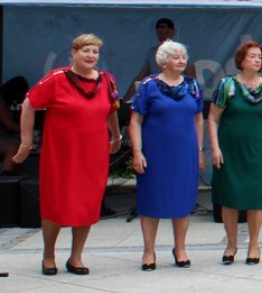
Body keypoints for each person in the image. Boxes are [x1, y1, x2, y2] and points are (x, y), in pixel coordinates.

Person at [12, 34, 123, 276]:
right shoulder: (57, 78)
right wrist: (26, 141)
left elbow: (111, 109)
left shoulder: (107, 80)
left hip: (93, 153)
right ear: (73, 53)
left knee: (87, 204)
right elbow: (29, 103)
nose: (91, 56)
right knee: (56, 202)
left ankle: (76, 257)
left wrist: (116, 136)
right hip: (61, 154)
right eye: (86, 51)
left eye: (95, 52)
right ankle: (49, 255)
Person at [128, 41, 204, 271]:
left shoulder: (193, 86)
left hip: (185, 153)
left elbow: (199, 119)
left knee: (182, 199)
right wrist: (137, 151)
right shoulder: (149, 85)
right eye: (176, 57)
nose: (182, 60)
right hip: (155, 152)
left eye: (183, 57)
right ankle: (149, 251)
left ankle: (180, 248)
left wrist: (200, 151)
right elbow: (135, 121)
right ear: (163, 61)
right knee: (151, 199)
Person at [208, 41, 262, 265]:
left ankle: (254, 245)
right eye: (252, 56)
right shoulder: (226, 86)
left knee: (255, 200)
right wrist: (215, 148)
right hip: (229, 150)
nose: (257, 60)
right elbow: (212, 119)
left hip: (256, 151)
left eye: (259, 56)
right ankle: (231, 244)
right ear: (241, 60)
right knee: (229, 198)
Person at [125, 18, 196, 100]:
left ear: (173, 32)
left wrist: (193, 100)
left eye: (166, 32)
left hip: (177, 95)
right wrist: (126, 98)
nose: (163, 36)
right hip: (157, 95)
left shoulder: (181, 51)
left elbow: (192, 79)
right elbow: (140, 77)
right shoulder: (152, 52)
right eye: (160, 33)